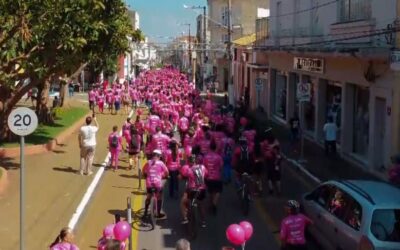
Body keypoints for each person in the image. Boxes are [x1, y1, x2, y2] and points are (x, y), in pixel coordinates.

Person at [179, 155, 208, 227]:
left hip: (192, 189)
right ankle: (203, 221)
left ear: (188, 161)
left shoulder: (188, 169)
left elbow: (182, 176)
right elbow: (206, 175)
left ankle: (185, 218)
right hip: (202, 189)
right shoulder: (203, 167)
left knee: (183, 202)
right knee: (201, 205)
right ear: (196, 161)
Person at [142, 149, 169, 219]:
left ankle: (145, 213)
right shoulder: (161, 163)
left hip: (149, 184)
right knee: (159, 197)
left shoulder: (148, 162)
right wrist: (165, 176)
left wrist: (145, 175)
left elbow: (143, 170)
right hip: (157, 184)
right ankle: (158, 213)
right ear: (159, 156)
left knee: (148, 197)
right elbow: (167, 172)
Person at [203, 141, 224, 214]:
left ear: (209, 148)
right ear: (215, 148)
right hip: (217, 177)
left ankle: (211, 204)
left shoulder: (205, 157)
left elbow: (204, 167)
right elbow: (221, 167)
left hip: (208, 177)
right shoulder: (219, 157)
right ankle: (214, 204)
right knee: (218, 191)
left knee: (211, 192)